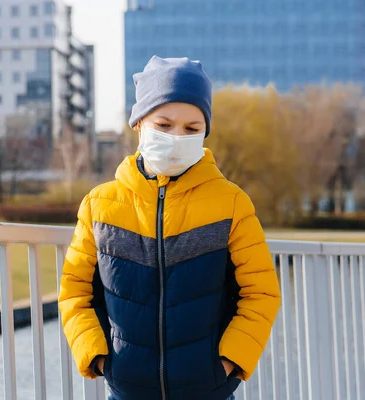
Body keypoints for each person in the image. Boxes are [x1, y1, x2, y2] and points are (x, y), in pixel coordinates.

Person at [59, 56, 281, 400]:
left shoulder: (232, 203)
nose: (177, 136)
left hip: (209, 392)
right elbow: (75, 291)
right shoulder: (98, 205)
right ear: (138, 124)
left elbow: (261, 293)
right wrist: (101, 359)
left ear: (205, 131)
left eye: (192, 128)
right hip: (126, 391)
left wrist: (227, 363)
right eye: (164, 124)